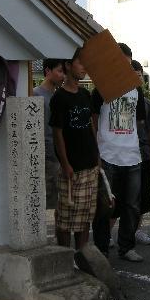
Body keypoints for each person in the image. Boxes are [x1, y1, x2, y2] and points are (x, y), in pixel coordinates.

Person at [91, 43, 147, 262]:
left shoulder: (136, 89)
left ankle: (126, 247)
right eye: (121, 61)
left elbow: (140, 120)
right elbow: (93, 121)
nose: (125, 66)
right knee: (104, 206)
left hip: (132, 155)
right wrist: (98, 150)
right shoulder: (101, 88)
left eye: (128, 61)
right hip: (108, 155)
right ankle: (101, 248)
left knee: (132, 205)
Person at [50, 47, 101, 251]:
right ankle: (65, 255)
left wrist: (97, 155)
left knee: (86, 214)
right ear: (69, 66)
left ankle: (82, 255)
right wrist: (65, 163)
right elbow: (57, 132)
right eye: (81, 63)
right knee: (65, 214)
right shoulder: (59, 98)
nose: (85, 68)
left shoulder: (85, 94)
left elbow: (91, 126)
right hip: (70, 166)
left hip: (90, 163)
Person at [131, 59, 150, 246]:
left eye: (140, 74)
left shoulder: (146, 103)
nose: (138, 77)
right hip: (124, 155)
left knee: (142, 196)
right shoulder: (115, 99)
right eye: (135, 74)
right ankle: (108, 233)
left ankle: (136, 230)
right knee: (121, 195)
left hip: (144, 154)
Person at [34, 58, 66, 210]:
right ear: (48, 71)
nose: (63, 76)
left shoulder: (59, 95)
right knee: (49, 202)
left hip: (60, 157)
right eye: (59, 71)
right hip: (47, 158)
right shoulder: (35, 95)